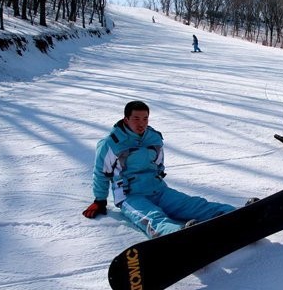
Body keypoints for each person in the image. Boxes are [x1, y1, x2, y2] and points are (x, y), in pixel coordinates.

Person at [82, 101, 236, 238]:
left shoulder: (153, 138)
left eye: (145, 119)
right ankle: (177, 236)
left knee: (194, 204)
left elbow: (158, 165)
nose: (141, 123)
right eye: (136, 119)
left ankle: (236, 214)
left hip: (158, 190)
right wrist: (100, 200)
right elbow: (101, 173)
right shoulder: (111, 143)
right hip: (130, 196)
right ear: (126, 119)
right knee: (153, 218)